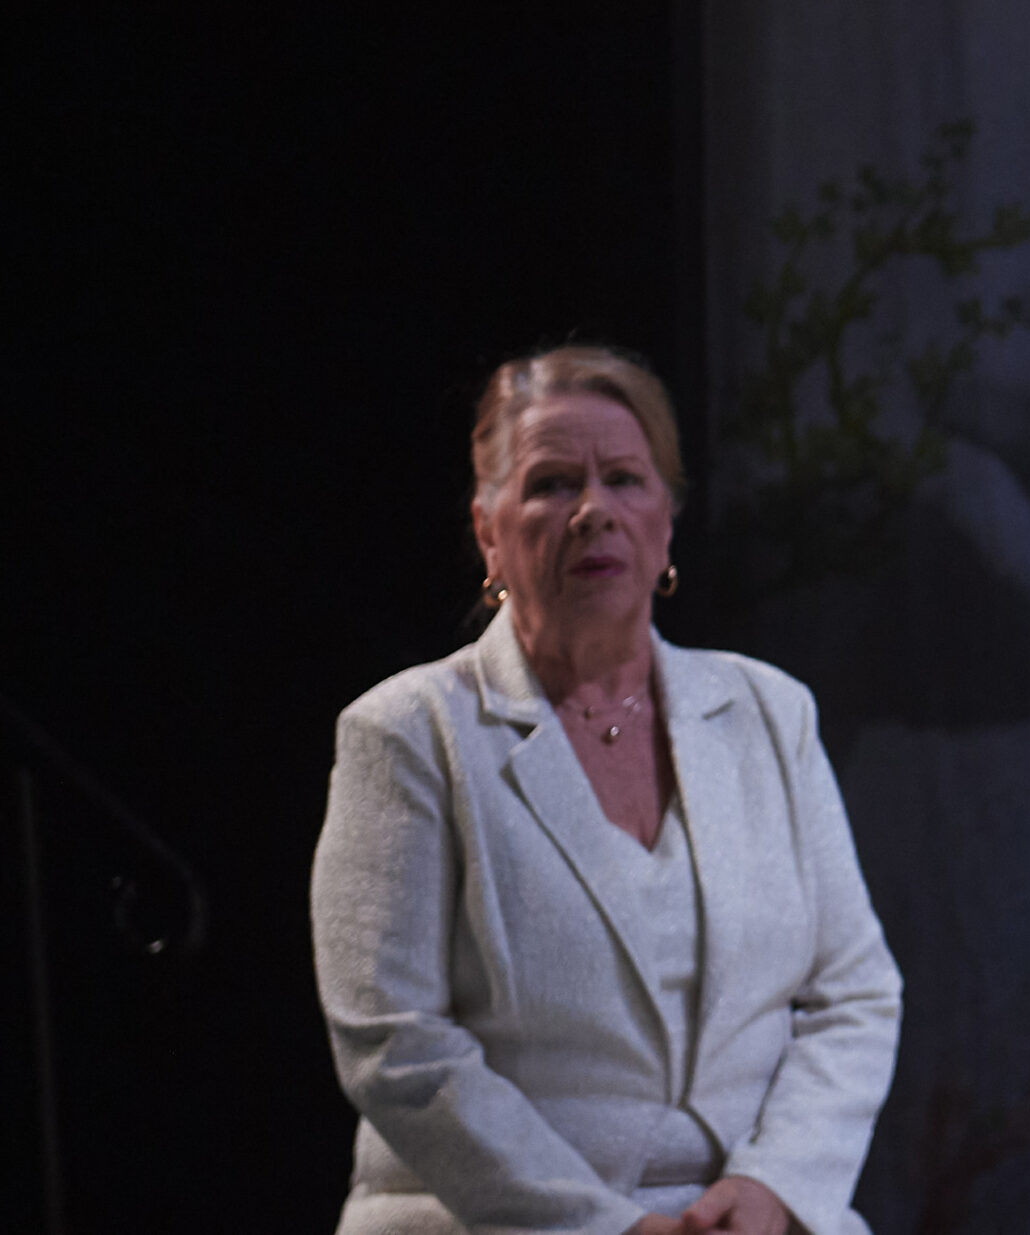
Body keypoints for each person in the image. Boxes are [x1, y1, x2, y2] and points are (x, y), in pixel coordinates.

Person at [310, 347, 901, 1235]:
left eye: (624, 478)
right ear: (488, 531)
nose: (594, 510)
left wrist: (775, 1185)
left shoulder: (768, 712)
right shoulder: (410, 733)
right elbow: (394, 1040)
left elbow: (854, 991)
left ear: (665, 521)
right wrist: (604, 1226)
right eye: (552, 484)